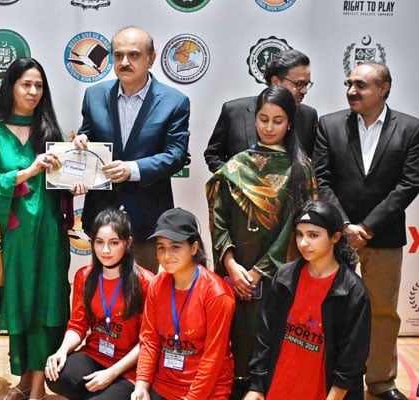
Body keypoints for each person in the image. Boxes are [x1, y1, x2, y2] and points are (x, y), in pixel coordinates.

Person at [0, 57, 77, 400]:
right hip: (13, 237)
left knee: (48, 304)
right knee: (24, 305)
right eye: (25, 84)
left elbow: (64, 181)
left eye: (39, 85)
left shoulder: (49, 129)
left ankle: (37, 388)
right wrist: (29, 172)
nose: (32, 91)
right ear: (11, 86)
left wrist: (79, 170)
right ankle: (27, 384)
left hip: (48, 235)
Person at [313, 62, 419, 400]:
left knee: (383, 312)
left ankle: (381, 383)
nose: (351, 90)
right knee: (335, 309)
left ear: (384, 87)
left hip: (383, 236)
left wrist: (368, 227)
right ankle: (334, 379)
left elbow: (409, 184)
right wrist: (344, 226)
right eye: (349, 83)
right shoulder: (329, 125)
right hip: (336, 237)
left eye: (361, 84)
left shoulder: (411, 128)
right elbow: (321, 179)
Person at [205, 86, 317, 399]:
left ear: (290, 124)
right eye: (263, 119)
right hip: (236, 268)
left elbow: (297, 229)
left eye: (277, 121)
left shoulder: (300, 169)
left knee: (273, 337)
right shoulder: (236, 165)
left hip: (280, 274)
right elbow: (219, 218)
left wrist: (258, 272)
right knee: (237, 334)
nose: (268, 127)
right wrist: (231, 264)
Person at [73, 26, 190, 272]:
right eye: (118, 55)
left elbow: (176, 155)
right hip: (102, 217)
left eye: (134, 55)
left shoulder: (175, 101)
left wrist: (132, 169)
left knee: (145, 295)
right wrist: (82, 141)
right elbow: (90, 135)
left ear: (151, 58)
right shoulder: (94, 95)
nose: (124, 62)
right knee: (105, 293)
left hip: (147, 218)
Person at [244, 200, 371, 400]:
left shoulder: (353, 291)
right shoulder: (285, 277)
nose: (303, 243)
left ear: (335, 237)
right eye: (299, 234)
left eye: (313, 235)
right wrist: (257, 387)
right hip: (278, 389)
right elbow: (265, 336)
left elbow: (352, 359)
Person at [45, 208, 154, 400]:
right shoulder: (84, 276)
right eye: (99, 242)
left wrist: (111, 374)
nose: (105, 250)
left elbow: (148, 342)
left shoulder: (146, 281)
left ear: (127, 243)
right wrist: (61, 351)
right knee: (56, 376)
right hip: (96, 354)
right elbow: (78, 325)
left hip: (128, 365)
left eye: (114, 243)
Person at [132, 208, 236, 400]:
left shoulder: (217, 293)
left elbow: (213, 358)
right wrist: (141, 386)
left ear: (194, 248)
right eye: (160, 247)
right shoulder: (157, 285)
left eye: (175, 247)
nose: (166, 255)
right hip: (164, 385)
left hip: (207, 391)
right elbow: (149, 340)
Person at [204, 49, 318, 173]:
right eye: (299, 84)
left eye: (307, 84)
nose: (304, 91)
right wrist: (235, 179)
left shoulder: (308, 116)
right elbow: (213, 155)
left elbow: (314, 162)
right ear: (276, 82)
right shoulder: (234, 111)